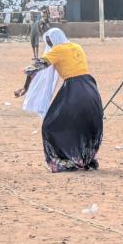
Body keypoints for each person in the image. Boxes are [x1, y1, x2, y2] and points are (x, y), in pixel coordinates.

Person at [15, 28, 103, 173]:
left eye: (48, 41)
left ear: (53, 39)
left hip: (74, 88)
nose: (48, 44)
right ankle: (86, 158)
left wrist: (25, 85)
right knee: (84, 123)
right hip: (90, 87)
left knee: (50, 125)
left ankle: (60, 161)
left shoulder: (58, 50)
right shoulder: (76, 46)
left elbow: (34, 69)